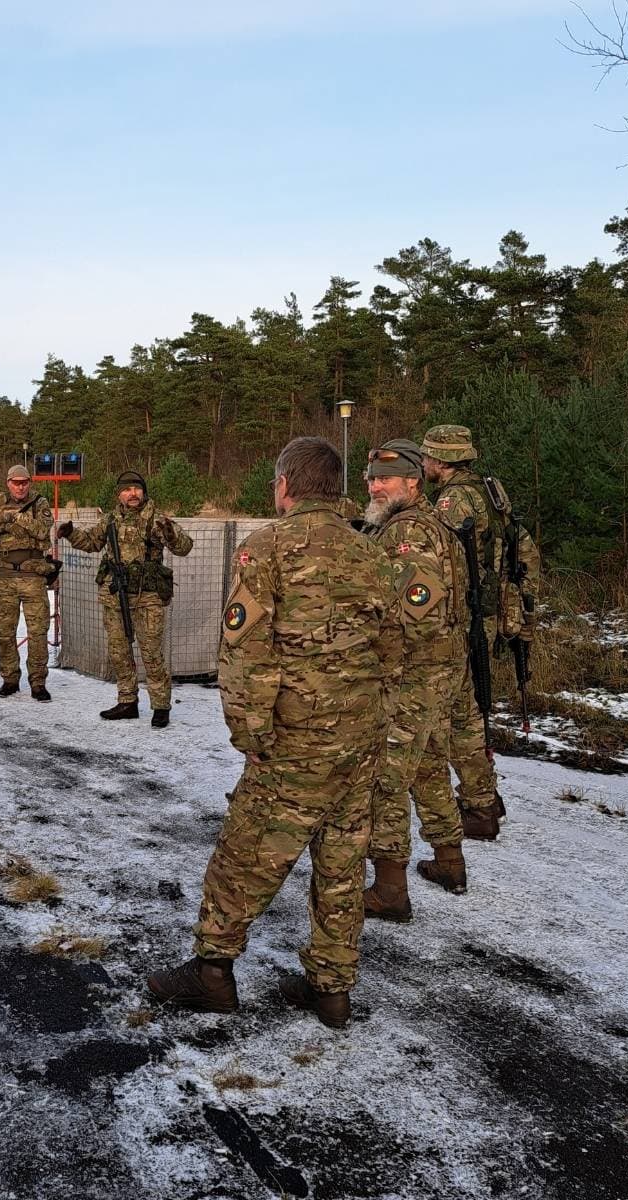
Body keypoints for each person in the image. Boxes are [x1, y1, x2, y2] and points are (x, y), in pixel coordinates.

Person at [146, 438, 402, 1029]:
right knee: (341, 864)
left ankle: (212, 972)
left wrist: (251, 733)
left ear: (286, 484)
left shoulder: (268, 547)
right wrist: (371, 717)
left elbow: (245, 652)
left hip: (294, 742)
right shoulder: (373, 553)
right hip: (359, 739)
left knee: (246, 854)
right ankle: (331, 989)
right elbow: (393, 648)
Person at [360, 440, 470, 919]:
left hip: (411, 675)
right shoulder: (434, 522)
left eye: (385, 479)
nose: (375, 487)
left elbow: (414, 615)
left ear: (412, 481)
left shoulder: (407, 532)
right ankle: (450, 861)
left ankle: (390, 889)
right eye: (371, 479)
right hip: (441, 672)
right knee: (427, 767)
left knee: (387, 777)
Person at [420, 425, 539, 841]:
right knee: (469, 708)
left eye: (427, 457)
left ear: (441, 460)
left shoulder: (453, 500)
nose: (424, 464)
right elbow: (523, 548)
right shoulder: (490, 490)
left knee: (460, 713)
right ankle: (484, 797)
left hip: (466, 615)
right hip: (489, 610)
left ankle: (478, 802)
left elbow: (442, 561)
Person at [56, 470, 193, 728]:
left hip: (147, 596)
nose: (133, 494)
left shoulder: (156, 519)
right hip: (116, 596)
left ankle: (160, 706)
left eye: (137, 489)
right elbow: (92, 543)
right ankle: (127, 701)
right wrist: (71, 533)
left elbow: (184, 547)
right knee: (119, 651)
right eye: (127, 490)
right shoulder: (110, 520)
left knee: (151, 653)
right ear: (119, 494)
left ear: (144, 492)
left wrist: (170, 534)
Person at [0, 464, 55, 702]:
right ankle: (10, 679)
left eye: (24, 482)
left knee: (38, 632)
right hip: (5, 577)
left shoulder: (39, 503)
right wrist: (2, 523)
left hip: (33, 577)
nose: (20, 487)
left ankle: (38, 682)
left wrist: (16, 518)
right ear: (8, 483)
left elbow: (42, 531)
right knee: (5, 631)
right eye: (16, 483)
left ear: (30, 483)